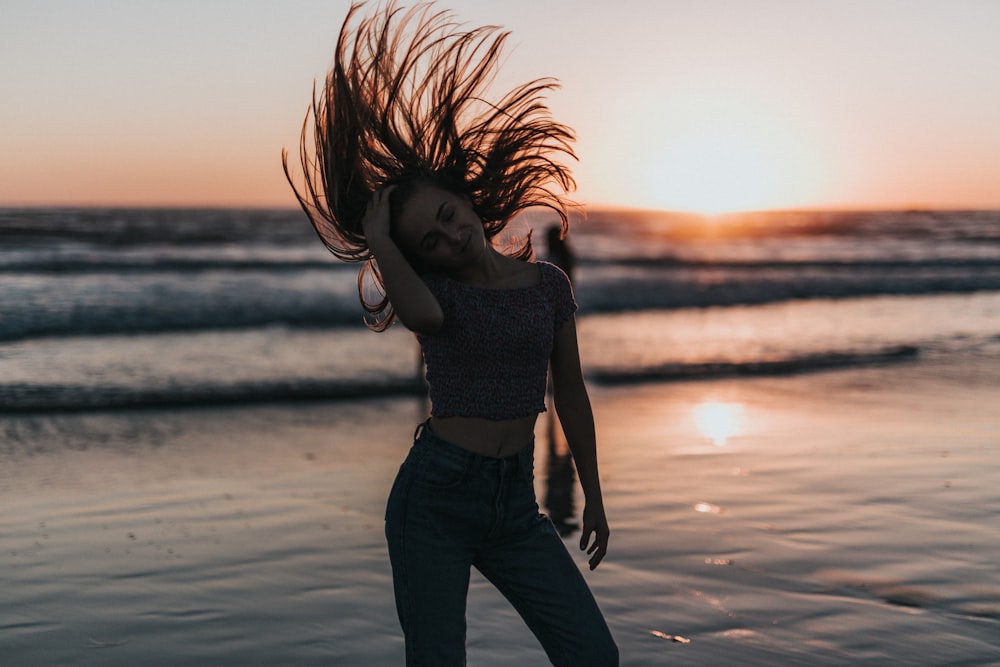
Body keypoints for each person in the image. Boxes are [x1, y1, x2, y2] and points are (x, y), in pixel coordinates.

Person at [283, 3, 617, 665]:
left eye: (444, 215)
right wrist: (381, 243)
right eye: (428, 240)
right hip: (434, 499)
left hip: (515, 505)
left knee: (593, 655)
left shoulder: (549, 285)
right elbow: (426, 319)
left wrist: (594, 495)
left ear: (464, 197)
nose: (447, 234)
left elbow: (571, 396)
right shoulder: (433, 294)